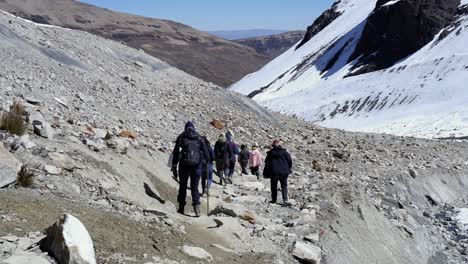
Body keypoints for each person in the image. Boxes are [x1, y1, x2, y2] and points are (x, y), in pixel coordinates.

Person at [172, 121, 208, 217]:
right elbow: (206, 153)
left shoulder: (182, 136)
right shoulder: (199, 137)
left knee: (183, 186)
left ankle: (181, 207)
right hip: (197, 166)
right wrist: (206, 163)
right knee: (194, 187)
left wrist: (174, 166)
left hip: (184, 165)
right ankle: (197, 209)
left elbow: (175, 152)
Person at [263, 139, 292, 205]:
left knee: (273, 186)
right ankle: (285, 200)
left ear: (273, 145)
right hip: (284, 172)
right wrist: (288, 168)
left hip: (274, 172)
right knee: (284, 186)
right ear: (280, 145)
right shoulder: (285, 152)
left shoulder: (270, 153)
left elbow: (267, 163)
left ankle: (274, 200)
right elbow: (290, 160)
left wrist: (266, 172)